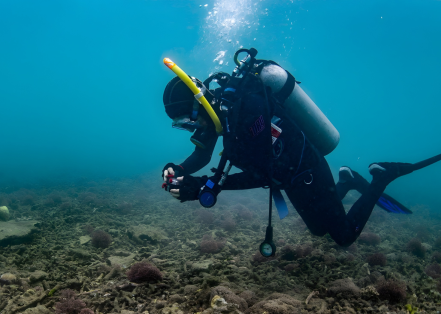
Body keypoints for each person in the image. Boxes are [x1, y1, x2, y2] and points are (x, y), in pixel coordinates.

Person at [161, 53, 440, 248]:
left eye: (188, 119)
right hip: (288, 176)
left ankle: (381, 176)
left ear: (200, 102)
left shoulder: (248, 111)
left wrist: (203, 186)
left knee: (342, 236)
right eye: (181, 125)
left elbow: (263, 175)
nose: (190, 126)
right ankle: (347, 181)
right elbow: (203, 155)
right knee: (319, 231)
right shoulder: (218, 116)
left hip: (306, 168)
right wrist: (180, 170)